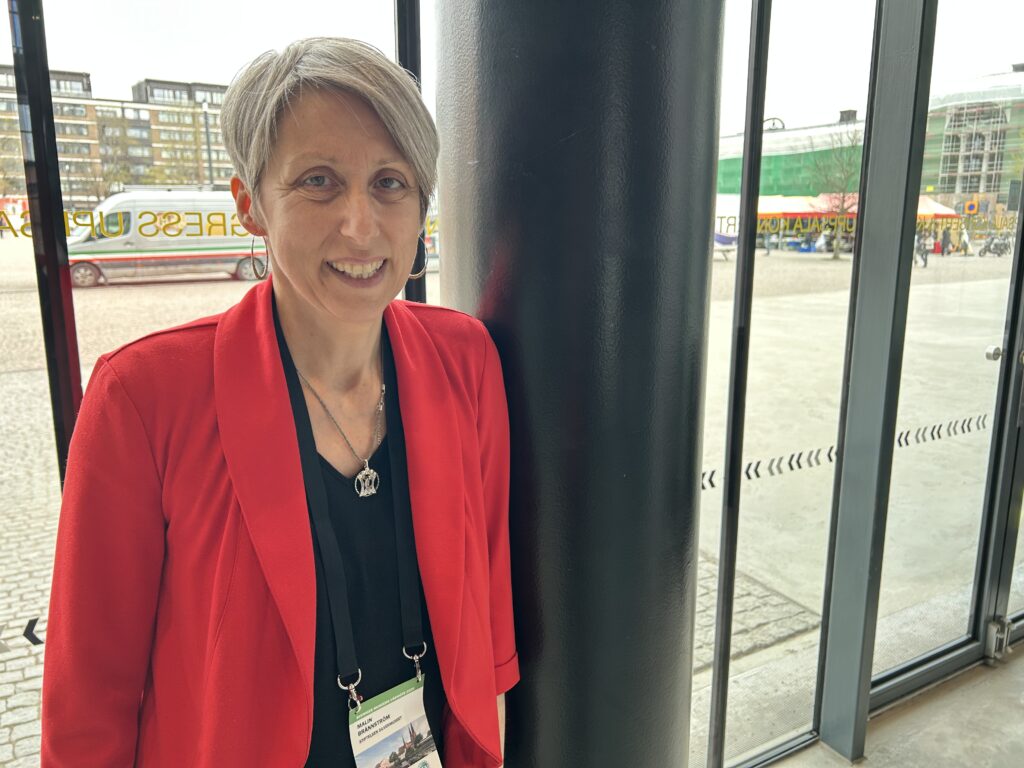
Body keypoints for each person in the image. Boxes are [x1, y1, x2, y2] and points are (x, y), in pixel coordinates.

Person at [41, 38, 518, 768]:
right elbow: (89, 703)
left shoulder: (465, 361)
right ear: (250, 205)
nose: (361, 225)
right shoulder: (143, 398)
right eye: (319, 181)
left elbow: (489, 621)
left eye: (390, 183)